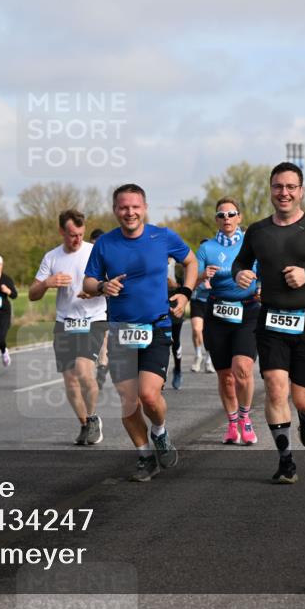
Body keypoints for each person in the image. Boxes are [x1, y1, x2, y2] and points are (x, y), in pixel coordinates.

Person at [232, 163, 305, 484]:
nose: (283, 193)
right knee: (274, 388)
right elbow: (240, 262)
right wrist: (240, 274)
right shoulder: (258, 231)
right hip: (271, 320)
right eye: (277, 187)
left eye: (290, 187)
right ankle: (286, 462)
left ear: (301, 191)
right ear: (270, 190)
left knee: (302, 397)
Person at [83, 184, 197, 482]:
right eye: (123, 207)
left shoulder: (163, 237)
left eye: (135, 206)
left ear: (144, 208)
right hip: (120, 330)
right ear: (115, 210)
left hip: (156, 327)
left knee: (148, 394)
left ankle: (159, 432)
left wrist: (185, 293)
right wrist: (102, 286)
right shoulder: (105, 244)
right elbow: (88, 282)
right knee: (128, 399)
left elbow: (191, 261)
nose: (129, 212)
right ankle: (145, 455)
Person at [29, 210, 107, 445]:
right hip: (65, 322)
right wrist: (47, 283)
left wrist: (95, 290)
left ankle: (93, 419)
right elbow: (33, 294)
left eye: (81, 234)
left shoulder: (95, 252)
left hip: (93, 318)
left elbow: (112, 283)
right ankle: (84, 424)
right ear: (61, 231)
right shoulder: (52, 257)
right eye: (73, 235)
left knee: (84, 370)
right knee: (70, 380)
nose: (77, 239)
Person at [196, 198, 260, 445]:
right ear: (216, 219)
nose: (227, 219)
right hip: (217, 312)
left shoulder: (251, 244)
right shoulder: (206, 248)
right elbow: (194, 279)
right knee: (226, 376)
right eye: (222, 215)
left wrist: (261, 286)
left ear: (239, 217)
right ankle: (232, 423)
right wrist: (203, 275)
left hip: (247, 310)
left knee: (242, 368)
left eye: (231, 214)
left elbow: (264, 271)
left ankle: (245, 417)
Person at [88, 228, 110, 389]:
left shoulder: (109, 257)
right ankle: (101, 363)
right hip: (87, 306)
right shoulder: (86, 258)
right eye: (92, 244)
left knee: (104, 336)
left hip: (107, 303)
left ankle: (102, 365)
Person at [189, 238, 213, 373]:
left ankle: (209, 359)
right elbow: (189, 282)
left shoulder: (217, 265)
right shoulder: (195, 265)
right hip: (197, 300)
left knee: (209, 333)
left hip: (211, 301)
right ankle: (198, 355)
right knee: (197, 330)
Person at [167, 259, 185, 390]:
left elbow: (185, 286)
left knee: (175, 341)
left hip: (175, 306)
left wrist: (174, 285)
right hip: (157, 306)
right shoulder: (153, 258)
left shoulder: (178, 265)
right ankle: (159, 375)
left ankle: (178, 369)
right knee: (159, 342)